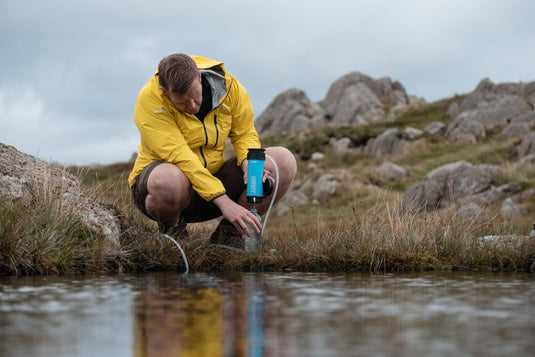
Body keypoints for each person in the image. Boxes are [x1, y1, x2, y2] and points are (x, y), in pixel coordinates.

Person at [128, 53, 297, 245]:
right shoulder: (150, 100)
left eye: (195, 96)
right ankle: (174, 236)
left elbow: (244, 133)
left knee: (283, 161)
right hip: (165, 193)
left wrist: (248, 163)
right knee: (167, 179)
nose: (192, 105)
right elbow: (179, 156)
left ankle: (228, 238)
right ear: (164, 91)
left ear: (200, 76)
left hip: (213, 182)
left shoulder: (230, 87)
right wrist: (224, 202)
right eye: (182, 101)